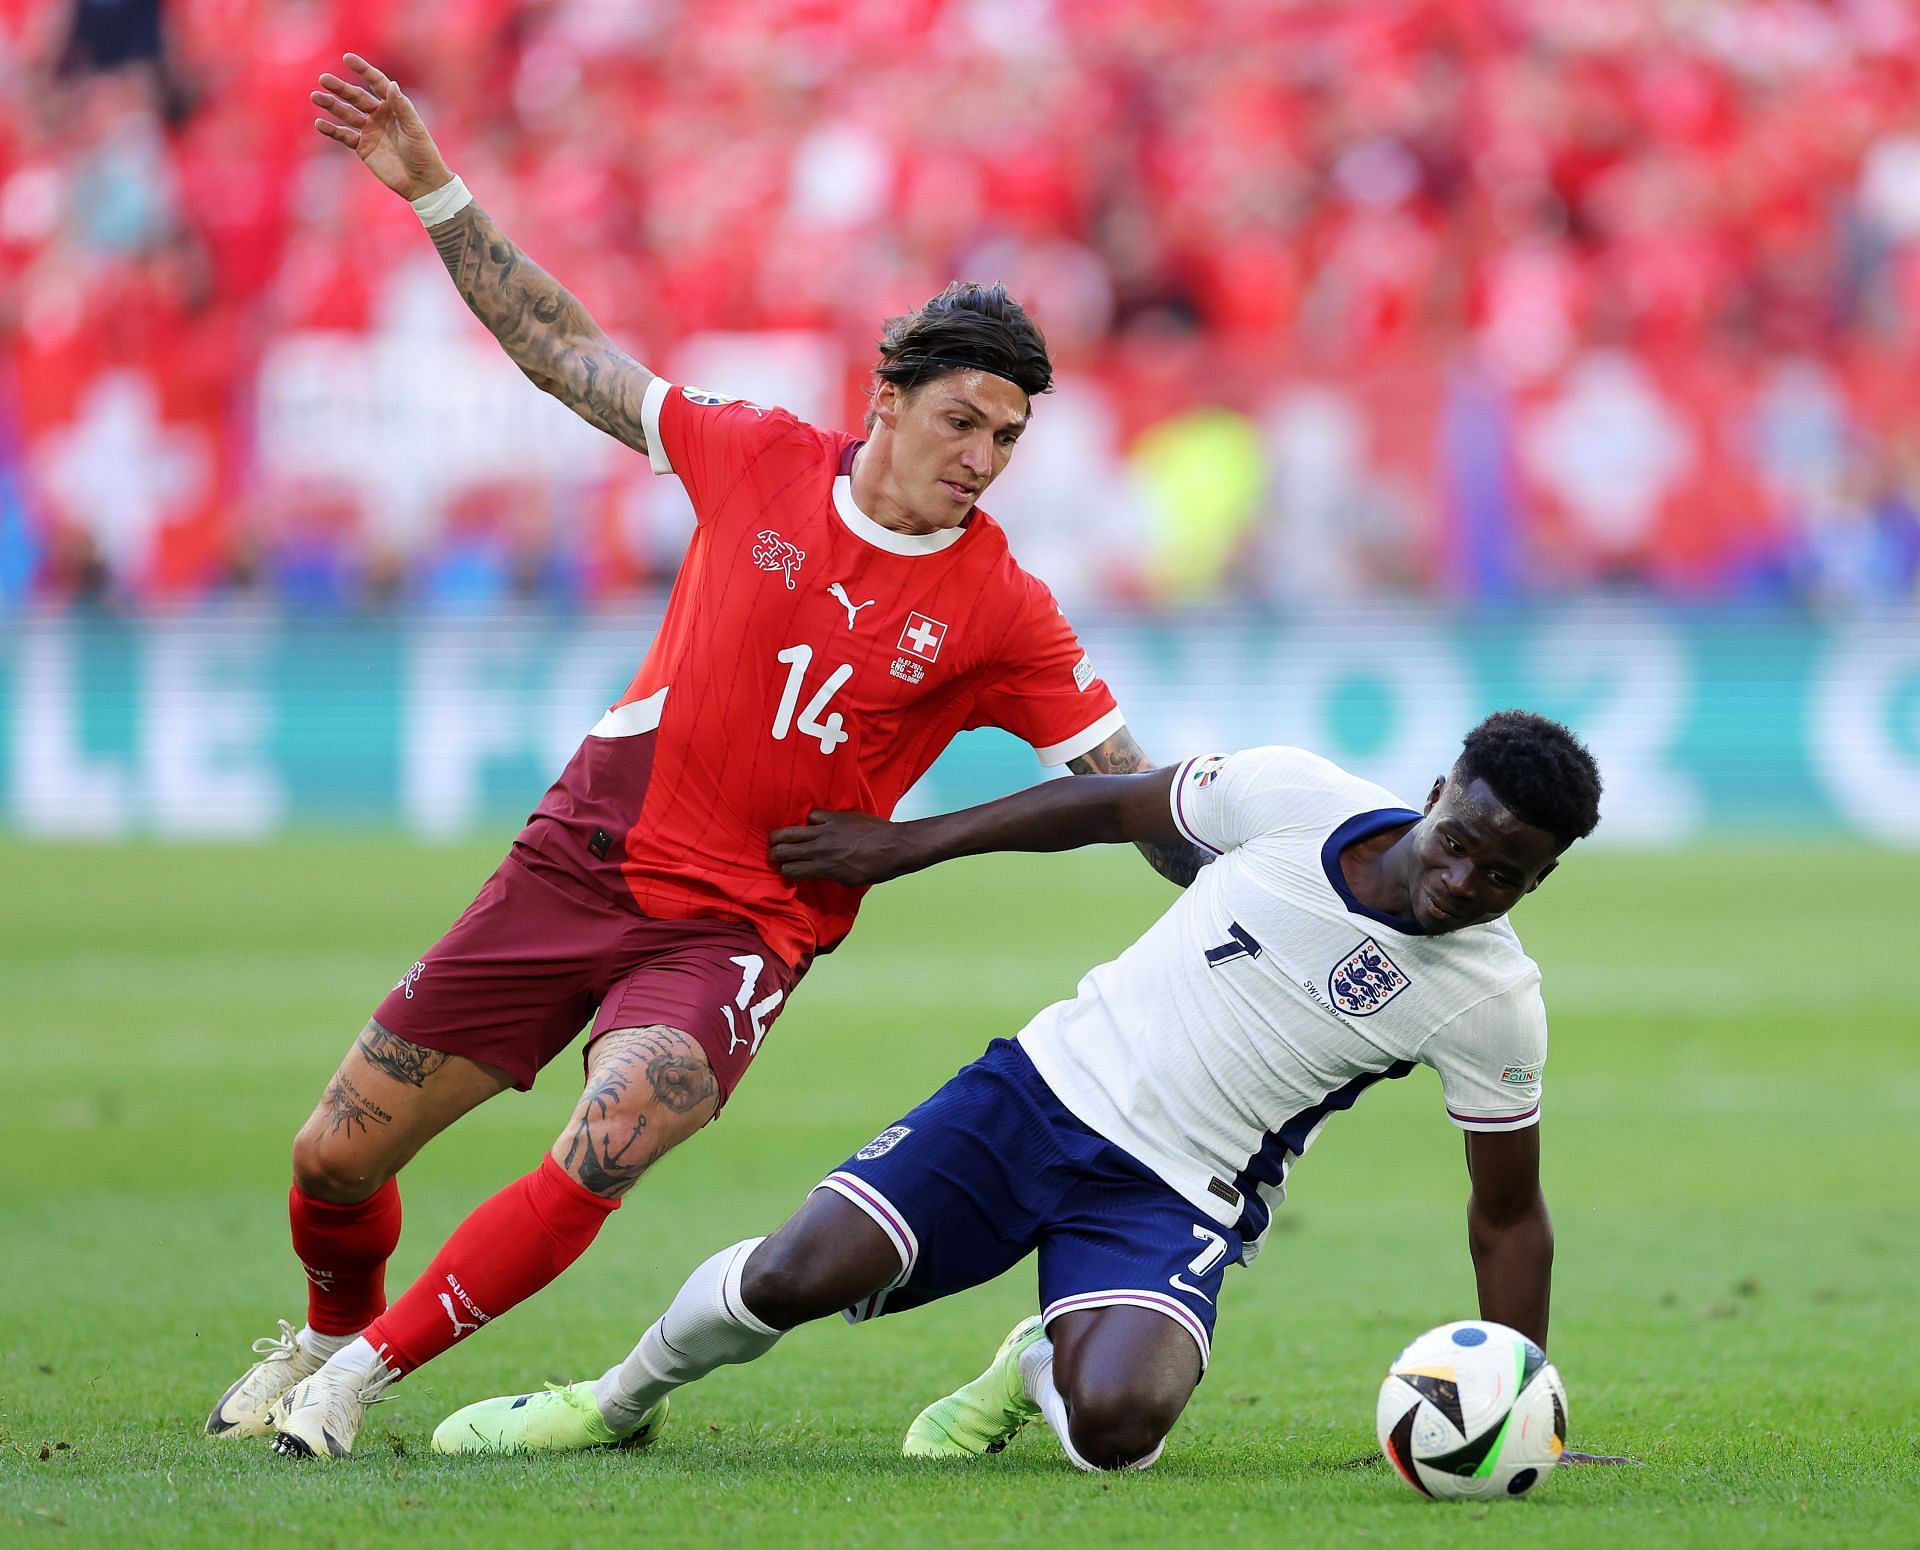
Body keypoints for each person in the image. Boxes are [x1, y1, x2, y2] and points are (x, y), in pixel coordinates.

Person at [209, 53, 1204, 1461]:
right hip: (589, 852)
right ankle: (323, 1325)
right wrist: (432, 188)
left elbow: (1128, 786)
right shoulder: (754, 459)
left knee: (616, 1130)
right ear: (888, 398)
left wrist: (1263, 845)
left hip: (745, 923)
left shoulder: (1004, 607)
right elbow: (567, 352)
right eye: (961, 420)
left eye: (1007, 435)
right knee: (335, 1155)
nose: (982, 456)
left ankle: (358, 1379)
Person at [432, 711, 1602, 1472]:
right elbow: (1104, 806)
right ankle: (613, 1401)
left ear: (1543, 878)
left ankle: (1035, 1361)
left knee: (1118, 1433)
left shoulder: (1492, 999)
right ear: (1441, 784)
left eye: (1508, 875)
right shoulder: (1292, 794)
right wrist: (906, 845)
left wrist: (1522, 1393)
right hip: (1036, 1093)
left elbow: (1509, 1213)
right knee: (794, 1275)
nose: (1465, 879)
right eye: (1463, 839)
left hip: (1180, 1194)